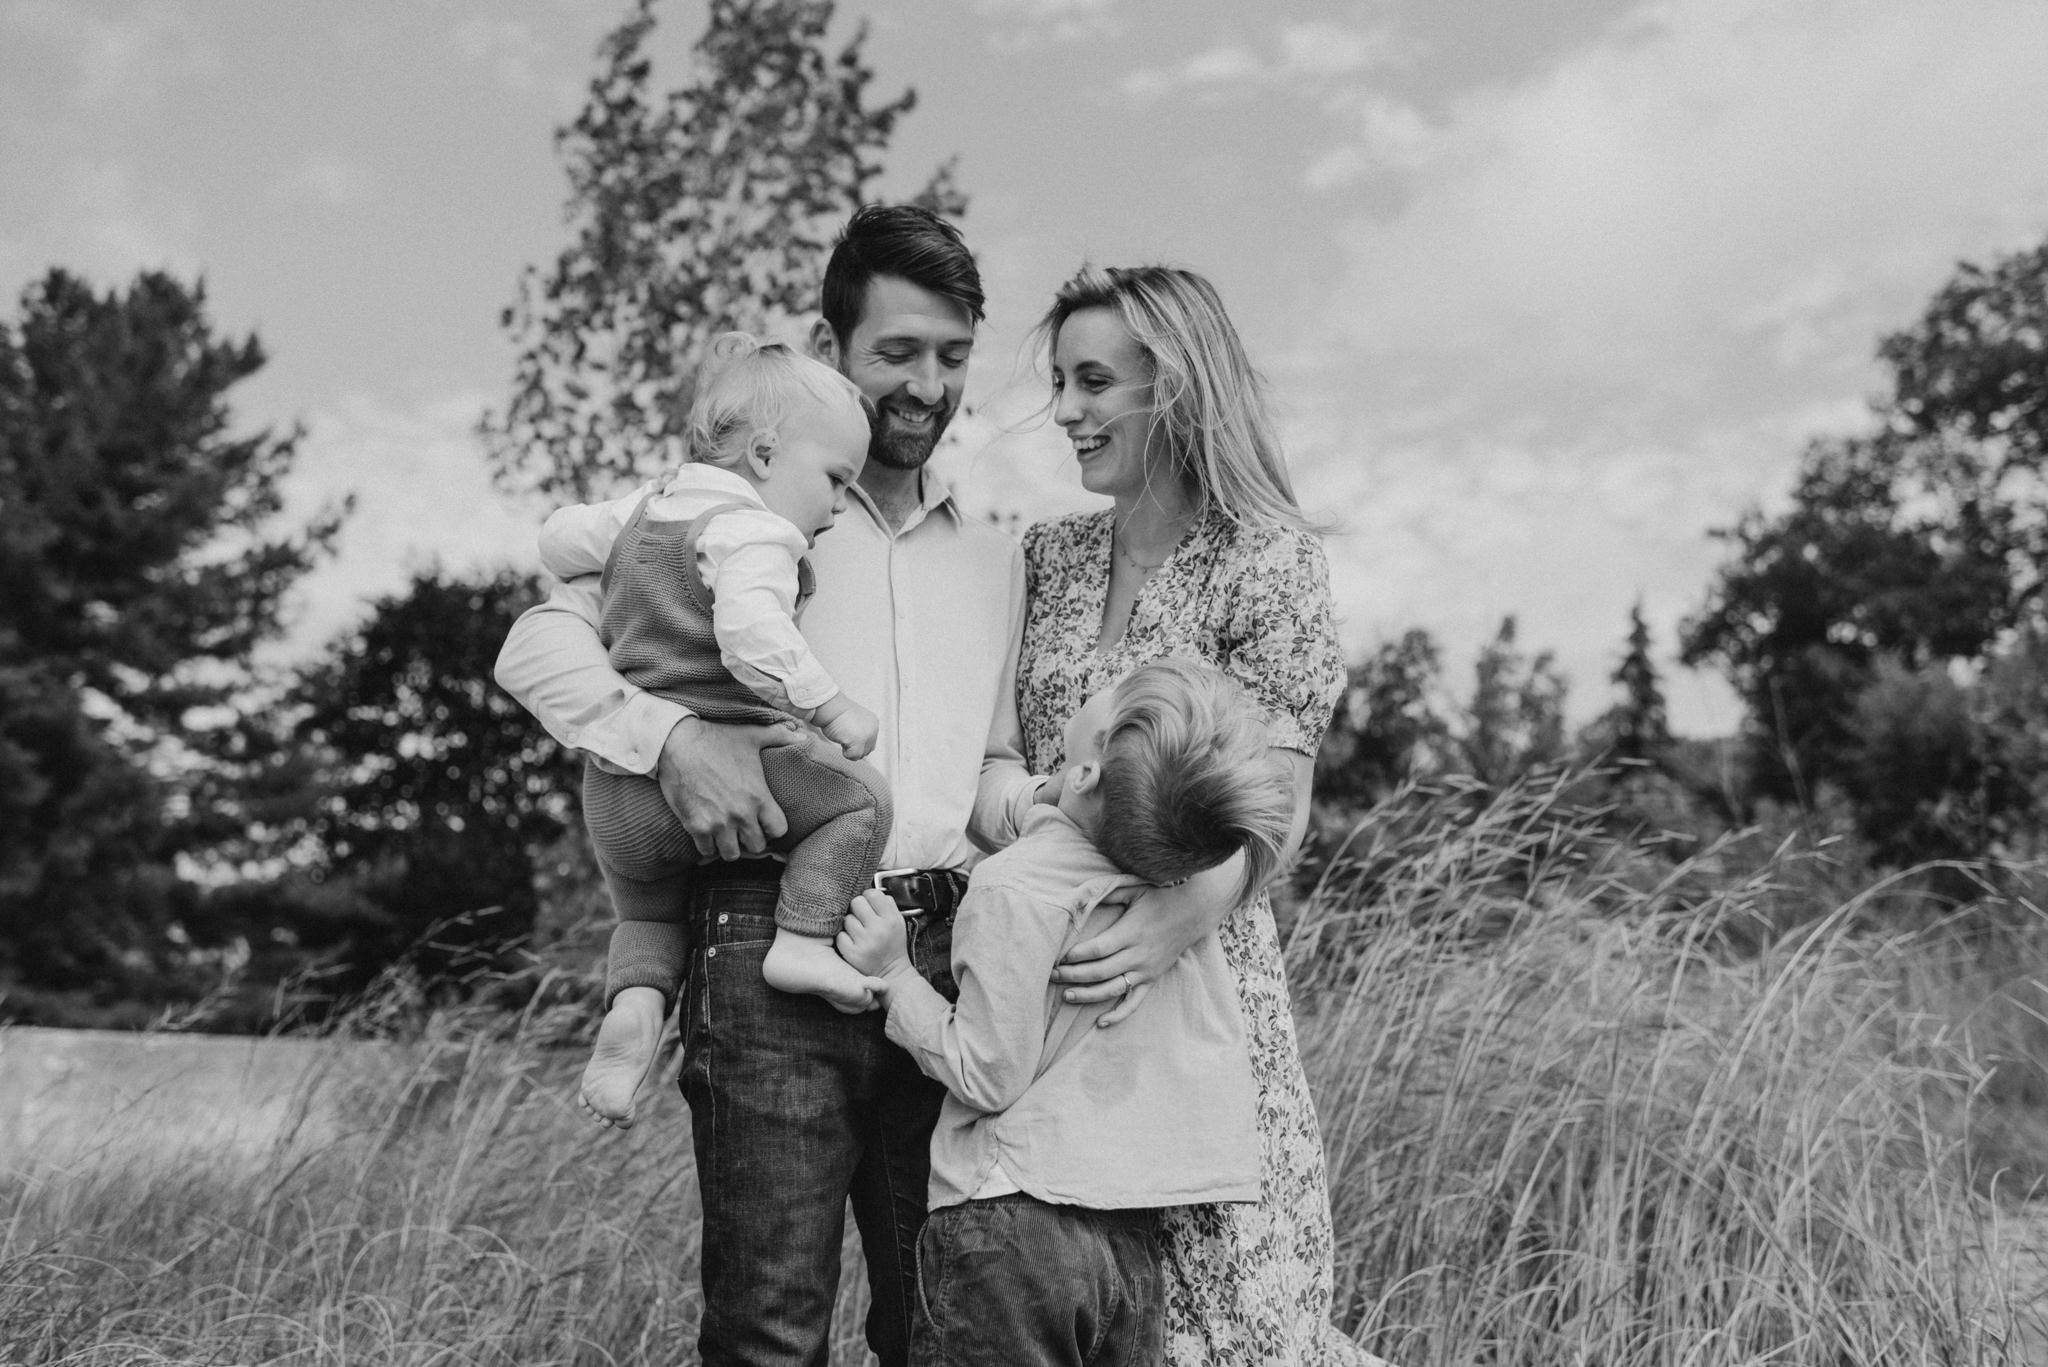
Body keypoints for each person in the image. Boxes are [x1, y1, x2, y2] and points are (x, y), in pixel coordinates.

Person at [495, 204, 1043, 1367]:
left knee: (942, 1327)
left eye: (951, 356)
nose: (926, 384)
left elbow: (991, 761)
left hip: (944, 955)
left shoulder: (1001, 559)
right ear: (826, 345)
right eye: (897, 351)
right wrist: (672, 736)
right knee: (766, 1329)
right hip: (758, 935)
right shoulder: (731, 511)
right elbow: (543, 645)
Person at [1019, 263, 1389, 1364]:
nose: (1067, 412)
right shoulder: (1046, 556)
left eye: (1092, 383)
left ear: (1172, 388)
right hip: (1045, 989)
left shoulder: (1264, 556)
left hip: (1200, 984)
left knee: (1230, 1321)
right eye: (1058, 383)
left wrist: (1177, 921)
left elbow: (1277, 794)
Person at [836, 657, 1294, 1366]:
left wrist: (896, 975)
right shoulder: (1168, 902)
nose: (1095, 690)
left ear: (1083, 772)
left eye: (1105, 699)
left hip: (1012, 1227)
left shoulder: (1016, 887)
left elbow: (988, 1072)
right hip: (1131, 1245)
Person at [532, 333, 894, 1127]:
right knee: (862, 802)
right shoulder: (755, 531)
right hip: (734, 765)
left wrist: (602, 533)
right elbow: (753, 637)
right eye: (836, 480)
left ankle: (632, 1011)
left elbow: (558, 539)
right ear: (765, 454)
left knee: (647, 916)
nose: (839, 505)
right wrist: (832, 709)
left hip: (620, 798)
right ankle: (802, 940)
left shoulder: (644, 509)